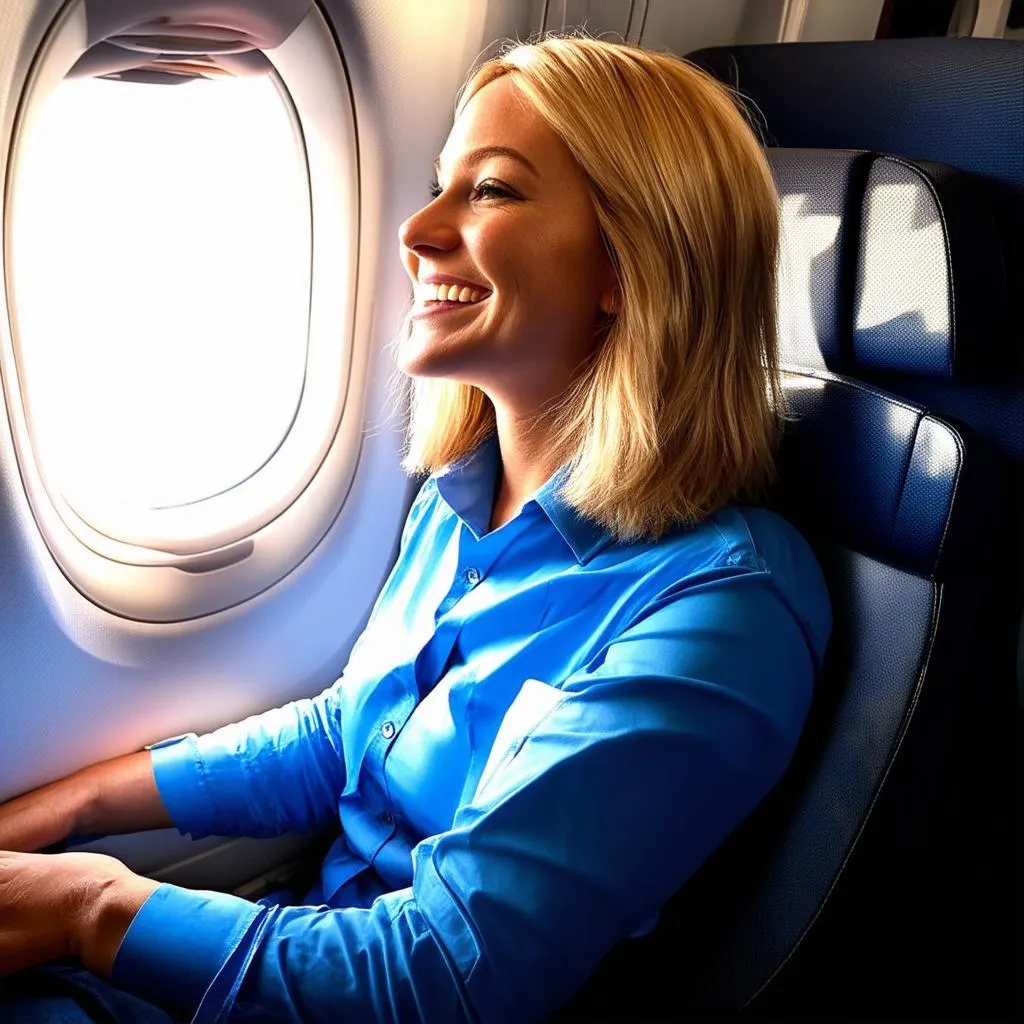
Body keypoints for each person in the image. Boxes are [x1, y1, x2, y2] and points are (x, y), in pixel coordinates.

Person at [0, 36, 831, 1024]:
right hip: (301, 940)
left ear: (625, 262)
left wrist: (91, 906)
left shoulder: (721, 609)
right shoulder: (460, 503)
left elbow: (440, 979)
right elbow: (344, 735)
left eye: (490, 191)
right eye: (441, 183)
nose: (420, 228)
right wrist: (64, 814)